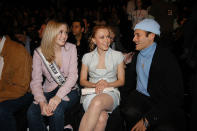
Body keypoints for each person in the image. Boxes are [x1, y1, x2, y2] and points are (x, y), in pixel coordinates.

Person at [121, 18, 185, 131]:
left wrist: (149, 119)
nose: (133, 39)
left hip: (162, 102)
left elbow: (175, 95)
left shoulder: (166, 58)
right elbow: (129, 83)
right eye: (134, 35)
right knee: (128, 111)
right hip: (140, 98)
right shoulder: (137, 55)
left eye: (138, 35)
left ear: (151, 36)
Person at [27, 19, 79, 131]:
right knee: (32, 112)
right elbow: (36, 81)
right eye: (60, 32)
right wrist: (41, 102)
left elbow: (73, 76)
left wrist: (58, 97)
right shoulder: (39, 52)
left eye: (66, 32)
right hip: (49, 90)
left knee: (57, 110)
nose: (64, 36)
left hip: (69, 89)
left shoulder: (71, 48)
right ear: (51, 33)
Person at [78, 25, 125, 131]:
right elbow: (82, 81)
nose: (107, 40)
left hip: (111, 92)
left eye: (108, 37)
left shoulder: (118, 55)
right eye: (102, 37)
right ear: (94, 40)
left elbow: (121, 81)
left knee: (97, 102)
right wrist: (96, 84)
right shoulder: (87, 57)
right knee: (102, 118)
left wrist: (107, 84)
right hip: (91, 92)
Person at [0, 14, 33, 131]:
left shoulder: (16, 51)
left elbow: (21, 87)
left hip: (25, 93)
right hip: (6, 91)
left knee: (1, 109)